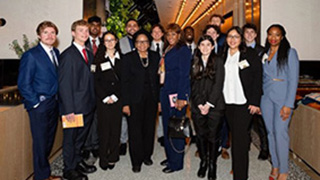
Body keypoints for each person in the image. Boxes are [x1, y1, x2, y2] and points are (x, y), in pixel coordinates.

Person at [17, 21, 61, 180]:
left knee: (48, 141)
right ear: (39, 35)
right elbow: (23, 83)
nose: (50, 36)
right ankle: (41, 177)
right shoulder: (31, 55)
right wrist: (36, 103)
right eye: (46, 33)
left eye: (53, 33)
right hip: (40, 105)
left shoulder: (56, 53)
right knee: (41, 143)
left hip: (54, 103)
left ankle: (45, 173)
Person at [222, 26, 262, 180]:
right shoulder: (222, 55)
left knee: (240, 140)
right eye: (230, 36)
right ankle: (237, 169)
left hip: (243, 103)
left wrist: (255, 102)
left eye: (236, 37)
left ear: (241, 39)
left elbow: (257, 79)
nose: (233, 40)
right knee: (235, 137)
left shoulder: (249, 55)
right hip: (227, 103)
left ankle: (240, 176)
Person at [59, 20, 97, 180]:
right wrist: (68, 110)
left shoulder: (88, 53)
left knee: (80, 139)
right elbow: (64, 85)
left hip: (87, 105)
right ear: (73, 33)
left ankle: (77, 162)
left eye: (86, 30)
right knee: (71, 139)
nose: (84, 33)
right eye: (80, 30)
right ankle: (69, 170)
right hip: (73, 108)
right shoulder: (68, 55)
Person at [260, 24, 299, 180]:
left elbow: (294, 80)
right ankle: (275, 165)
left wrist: (289, 104)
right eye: (270, 34)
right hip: (266, 98)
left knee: (280, 133)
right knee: (270, 134)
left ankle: (284, 170)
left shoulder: (290, 53)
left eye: (277, 35)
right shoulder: (265, 53)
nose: (273, 38)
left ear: (282, 36)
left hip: (283, 99)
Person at [121, 30, 160, 173]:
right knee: (135, 130)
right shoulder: (128, 58)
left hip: (152, 99)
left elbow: (158, 81)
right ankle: (136, 161)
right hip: (134, 100)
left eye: (144, 41)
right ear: (135, 44)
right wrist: (125, 103)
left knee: (149, 128)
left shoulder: (155, 57)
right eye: (138, 41)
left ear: (149, 43)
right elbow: (124, 82)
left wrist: (159, 100)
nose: (142, 44)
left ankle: (147, 155)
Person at [190, 35, 225, 180]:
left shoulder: (218, 61)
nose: (205, 47)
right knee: (200, 135)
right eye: (202, 44)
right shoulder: (195, 61)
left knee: (213, 137)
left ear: (212, 46)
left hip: (215, 106)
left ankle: (212, 165)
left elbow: (218, 84)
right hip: (198, 106)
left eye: (208, 45)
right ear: (198, 47)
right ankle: (203, 161)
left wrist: (208, 104)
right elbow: (193, 85)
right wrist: (199, 104)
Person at [159, 23, 191, 173]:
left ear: (179, 35)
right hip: (166, 92)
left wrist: (181, 97)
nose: (171, 37)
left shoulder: (183, 50)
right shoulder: (168, 48)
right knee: (167, 126)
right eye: (168, 34)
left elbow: (185, 75)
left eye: (174, 34)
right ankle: (170, 157)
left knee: (176, 127)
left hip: (176, 94)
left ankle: (177, 162)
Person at [92, 31, 122, 170]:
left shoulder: (123, 59)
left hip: (118, 99)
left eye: (112, 40)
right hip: (102, 100)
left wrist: (115, 96)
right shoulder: (97, 59)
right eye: (106, 40)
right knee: (103, 130)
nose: (109, 43)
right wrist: (105, 97)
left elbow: (126, 81)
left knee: (115, 129)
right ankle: (103, 158)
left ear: (116, 41)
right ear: (103, 43)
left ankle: (113, 157)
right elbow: (95, 81)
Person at [242, 23, 269, 161]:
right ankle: (244, 147)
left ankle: (265, 149)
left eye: (252, 32)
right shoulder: (240, 49)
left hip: (259, 90)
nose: (249, 35)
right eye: (247, 32)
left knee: (261, 122)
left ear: (256, 35)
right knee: (244, 123)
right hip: (243, 92)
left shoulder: (262, 51)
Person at [82, 15, 102, 166]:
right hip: (85, 88)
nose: (95, 27)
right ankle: (87, 147)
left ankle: (96, 146)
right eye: (92, 25)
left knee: (98, 119)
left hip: (101, 88)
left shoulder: (105, 43)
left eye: (97, 25)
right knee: (87, 119)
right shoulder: (82, 44)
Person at [118, 19, 140, 155]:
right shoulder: (120, 42)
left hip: (139, 85)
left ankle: (136, 140)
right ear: (126, 28)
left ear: (138, 28)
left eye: (134, 25)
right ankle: (123, 141)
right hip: (125, 82)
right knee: (124, 114)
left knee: (137, 115)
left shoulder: (144, 41)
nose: (132, 28)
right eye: (129, 26)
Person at [150, 24, 165, 146]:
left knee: (162, 109)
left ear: (162, 33)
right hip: (151, 82)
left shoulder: (168, 47)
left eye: (159, 31)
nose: (156, 34)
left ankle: (162, 135)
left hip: (164, 82)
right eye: (154, 32)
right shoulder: (146, 47)